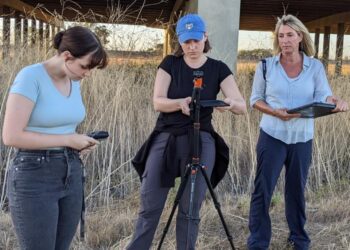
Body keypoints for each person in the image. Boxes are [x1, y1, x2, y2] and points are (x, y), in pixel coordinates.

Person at [127, 13, 246, 250]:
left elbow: (241, 106)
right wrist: (179, 103)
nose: (192, 47)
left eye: (196, 41)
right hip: (166, 137)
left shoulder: (218, 68)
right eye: (186, 41)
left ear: (205, 37)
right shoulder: (170, 63)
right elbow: (158, 102)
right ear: (179, 41)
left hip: (201, 140)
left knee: (190, 209)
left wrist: (230, 104)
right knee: (150, 206)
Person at [247, 14, 348, 250]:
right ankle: (258, 242)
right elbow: (255, 100)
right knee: (263, 190)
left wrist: (335, 101)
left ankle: (299, 240)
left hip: (302, 138)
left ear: (300, 36)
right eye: (281, 36)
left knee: (296, 191)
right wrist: (274, 112)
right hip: (272, 136)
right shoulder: (265, 66)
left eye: (290, 35)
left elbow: (324, 95)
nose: (285, 40)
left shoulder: (315, 67)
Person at [3, 26, 108, 250]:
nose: (87, 73)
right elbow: (11, 136)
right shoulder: (30, 77)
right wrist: (68, 140)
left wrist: (78, 143)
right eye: (85, 66)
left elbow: (63, 127)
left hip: (71, 170)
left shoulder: (74, 80)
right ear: (67, 56)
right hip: (34, 175)